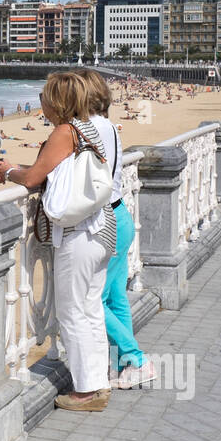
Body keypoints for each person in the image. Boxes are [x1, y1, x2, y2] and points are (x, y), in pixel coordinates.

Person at [0, 72, 115, 411]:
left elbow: (32, 177)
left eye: (44, 96)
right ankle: (97, 382)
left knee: (73, 312)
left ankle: (86, 393)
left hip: (79, 234)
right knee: (89, 309)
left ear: (55, 101)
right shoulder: (86, 129)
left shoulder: (63, 132)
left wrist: (9, 172)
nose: (40, 102)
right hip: (100, 228)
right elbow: (54, 173)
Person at [79, 69, 155, 389]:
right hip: (120, 213)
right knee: (115, 299)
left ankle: (137, 360)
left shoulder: (85, 128)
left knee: (92, 301)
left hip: (105, 220)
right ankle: (119, 366)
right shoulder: (110, 127)